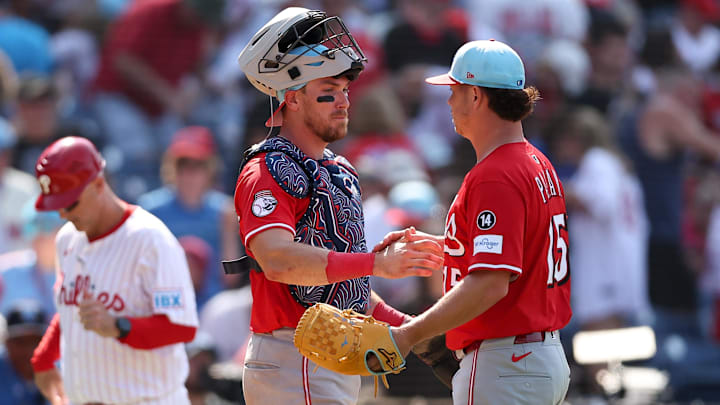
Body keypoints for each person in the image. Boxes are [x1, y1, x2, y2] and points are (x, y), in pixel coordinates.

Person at [233, 7, 444, 404]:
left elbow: (348, 288)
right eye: (330, 89)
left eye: (346, 89)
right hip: (293, 357)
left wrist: (415, 334)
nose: (344, 100)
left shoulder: (339, 169)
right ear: (292, 98)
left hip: (334, 356)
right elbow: (277, 259)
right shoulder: (268, 168)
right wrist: (377, 264)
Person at [374, 40, 573, 405]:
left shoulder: (496, 174)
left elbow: (490, 284)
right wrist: (450, 244)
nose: (449, 101)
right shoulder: (534, 162)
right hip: (534, 357)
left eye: (454, 90)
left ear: (477, 97)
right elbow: (522, 253)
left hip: (507, 363)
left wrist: (408, 334)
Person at [28, 136, 199, 405]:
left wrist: (120, 326)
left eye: (70, 203)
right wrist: (44, 358)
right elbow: (70, 311)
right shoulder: (67, 239)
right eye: (57, 204)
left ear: (98, 184)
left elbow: (182, 328)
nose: (62, 213)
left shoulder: (150, 239)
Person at [0, 300, 49, 405]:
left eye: (36, 341)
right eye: (20, 342)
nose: (29, 350)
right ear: (7, 343)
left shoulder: (61, 372)